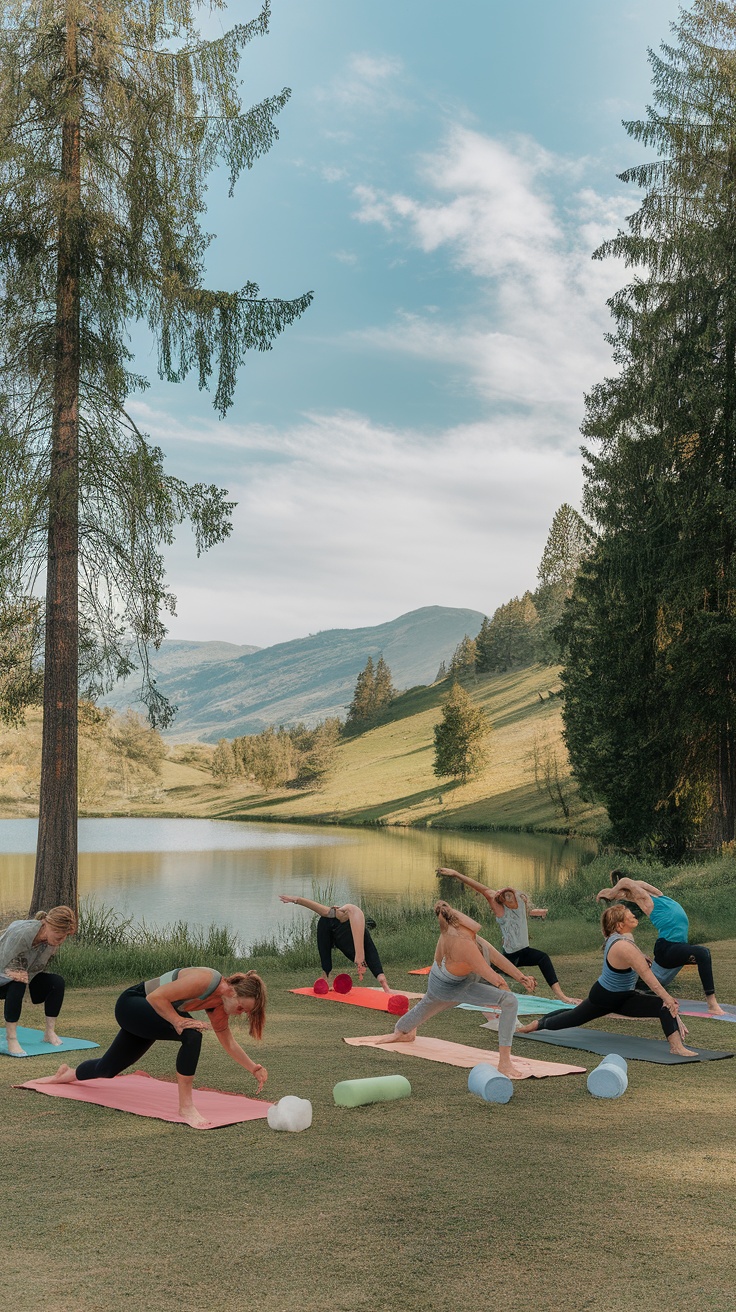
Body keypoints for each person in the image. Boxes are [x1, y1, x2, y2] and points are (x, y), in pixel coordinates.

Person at [36, 967, 268, 1130]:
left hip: (148, 1014)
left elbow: (227, 1040)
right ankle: (186, 1107)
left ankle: (68, 1074)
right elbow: (156, 997)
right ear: (232, 992)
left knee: (107, 1069)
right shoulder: (207, 979)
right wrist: (178, 1022)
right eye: (241, 1008)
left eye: (244, 1012)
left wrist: (253, 1067)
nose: (241, 1013)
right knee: (192, 1034)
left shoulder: (219, 1006)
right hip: (133, 1003)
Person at [371, 901, 537, 1078]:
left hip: (454, 978)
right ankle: (504, 1063)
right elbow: (495, 979)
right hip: (448, 987)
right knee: (509, 1001)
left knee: (422, 1009)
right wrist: (506, 1000)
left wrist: (521, 977)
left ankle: (403, 1031)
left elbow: (494, 956)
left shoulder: (465, 934)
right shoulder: (462, 942)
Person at [517, 904, 697, 1056]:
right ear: (619, 925)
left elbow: (623, 947)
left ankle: (676, 1047)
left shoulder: (622, 938)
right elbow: (649, 978)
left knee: (662, 1006)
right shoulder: (623, 946)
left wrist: (641, 956)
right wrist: (668, 998)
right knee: (572, 1018)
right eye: (629, 915)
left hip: (625, 997)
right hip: (605, 997)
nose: (634, 916)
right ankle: (537, 1025)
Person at [438, 867, 579, 1004]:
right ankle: (452, 980)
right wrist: (456, 874)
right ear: (502, 900)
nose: (508, 896)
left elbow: (515, 894)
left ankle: (562, 996)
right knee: (481, 973)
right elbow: (481, 889)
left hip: (525, 952)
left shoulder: (519, 901)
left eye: (510, 894)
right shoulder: (500, 910)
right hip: (510, 956)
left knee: (543, 958)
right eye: (505, 896)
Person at [597, 872, 725, 1015]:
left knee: (702, 957)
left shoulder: (659, 896)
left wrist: (618, 891)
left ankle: (637, 985)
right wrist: (611, 892)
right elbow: (626, 881)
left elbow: (637, 883)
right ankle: (712, 1004)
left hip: (676, 947)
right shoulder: (649, 903)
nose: (638, 889)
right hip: (667, 947)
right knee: (702, 953)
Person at [0, 906, 77, 1056]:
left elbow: (35, 968)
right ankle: (11, 1038)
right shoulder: (22, 933)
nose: (61, 940)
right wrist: (15, 973)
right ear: (47, 925)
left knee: (56, 982)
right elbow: (3, 961)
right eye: (58, 935)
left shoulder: (50, 940)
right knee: (18, 982)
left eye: (64, 936)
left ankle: (49, 1033)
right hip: (2, 971)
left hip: (21, 974)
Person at [279, 894, 395, 993]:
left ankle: (382, 981)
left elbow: (371, 952)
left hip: (347, 936)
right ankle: (326, 976)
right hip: (332, 932)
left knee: (368, 954)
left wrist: (384, 984)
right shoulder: (332, 914)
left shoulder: (354, 917)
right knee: (325, 922)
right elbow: (315, 907)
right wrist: (295, 900)